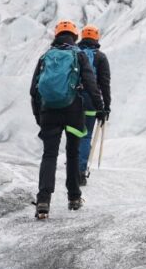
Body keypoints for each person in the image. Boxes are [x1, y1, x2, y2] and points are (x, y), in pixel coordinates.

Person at [31, 21, 105, 217]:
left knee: (49, 155)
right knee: (72, 154)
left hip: (49, 112)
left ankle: (43, 200)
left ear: (57, 35)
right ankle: (73, 197)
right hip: (73, 111)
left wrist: (39, 115)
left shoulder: (45, 56)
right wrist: (100, 108)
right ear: (74, 37)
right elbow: (91, 83)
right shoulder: (78, 55)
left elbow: (34, 90)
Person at [77, 25, 111, 186]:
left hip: (73, 100)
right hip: (91, 100)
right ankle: (80, 171)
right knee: (85, 135)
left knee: (74, 134)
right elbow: (105, 84)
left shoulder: (74, 53)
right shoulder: (101, 57)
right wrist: (105, 106)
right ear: (96, 38)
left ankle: (73, 164)